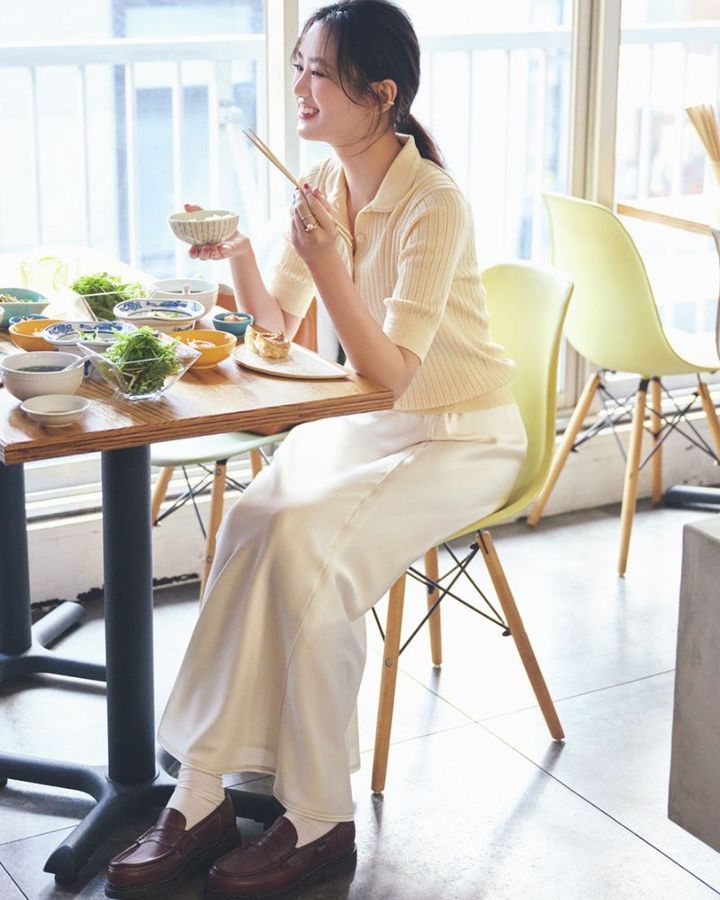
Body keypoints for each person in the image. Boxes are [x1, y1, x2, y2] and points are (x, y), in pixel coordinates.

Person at [105, 1, 528, 898]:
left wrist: (332, 265)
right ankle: (202, 791)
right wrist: (241, 252)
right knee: (254, 519)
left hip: (464, 432)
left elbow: (395, 376)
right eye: (298, 65)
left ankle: (321, 819)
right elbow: (278, 326)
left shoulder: (434, 202)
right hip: (376, 422)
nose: (299, 86)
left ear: (382, 94)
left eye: (320, 73)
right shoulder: (325, 181)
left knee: (307, 548)